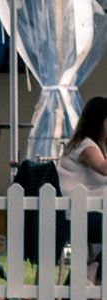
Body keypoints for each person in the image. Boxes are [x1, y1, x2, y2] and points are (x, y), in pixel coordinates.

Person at [57, 94, 107, 284]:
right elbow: (103, 168)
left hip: (86, 213)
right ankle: (94, 269)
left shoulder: (92, 144)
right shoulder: (85, 146)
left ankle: (87, 274)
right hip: (80, 215)